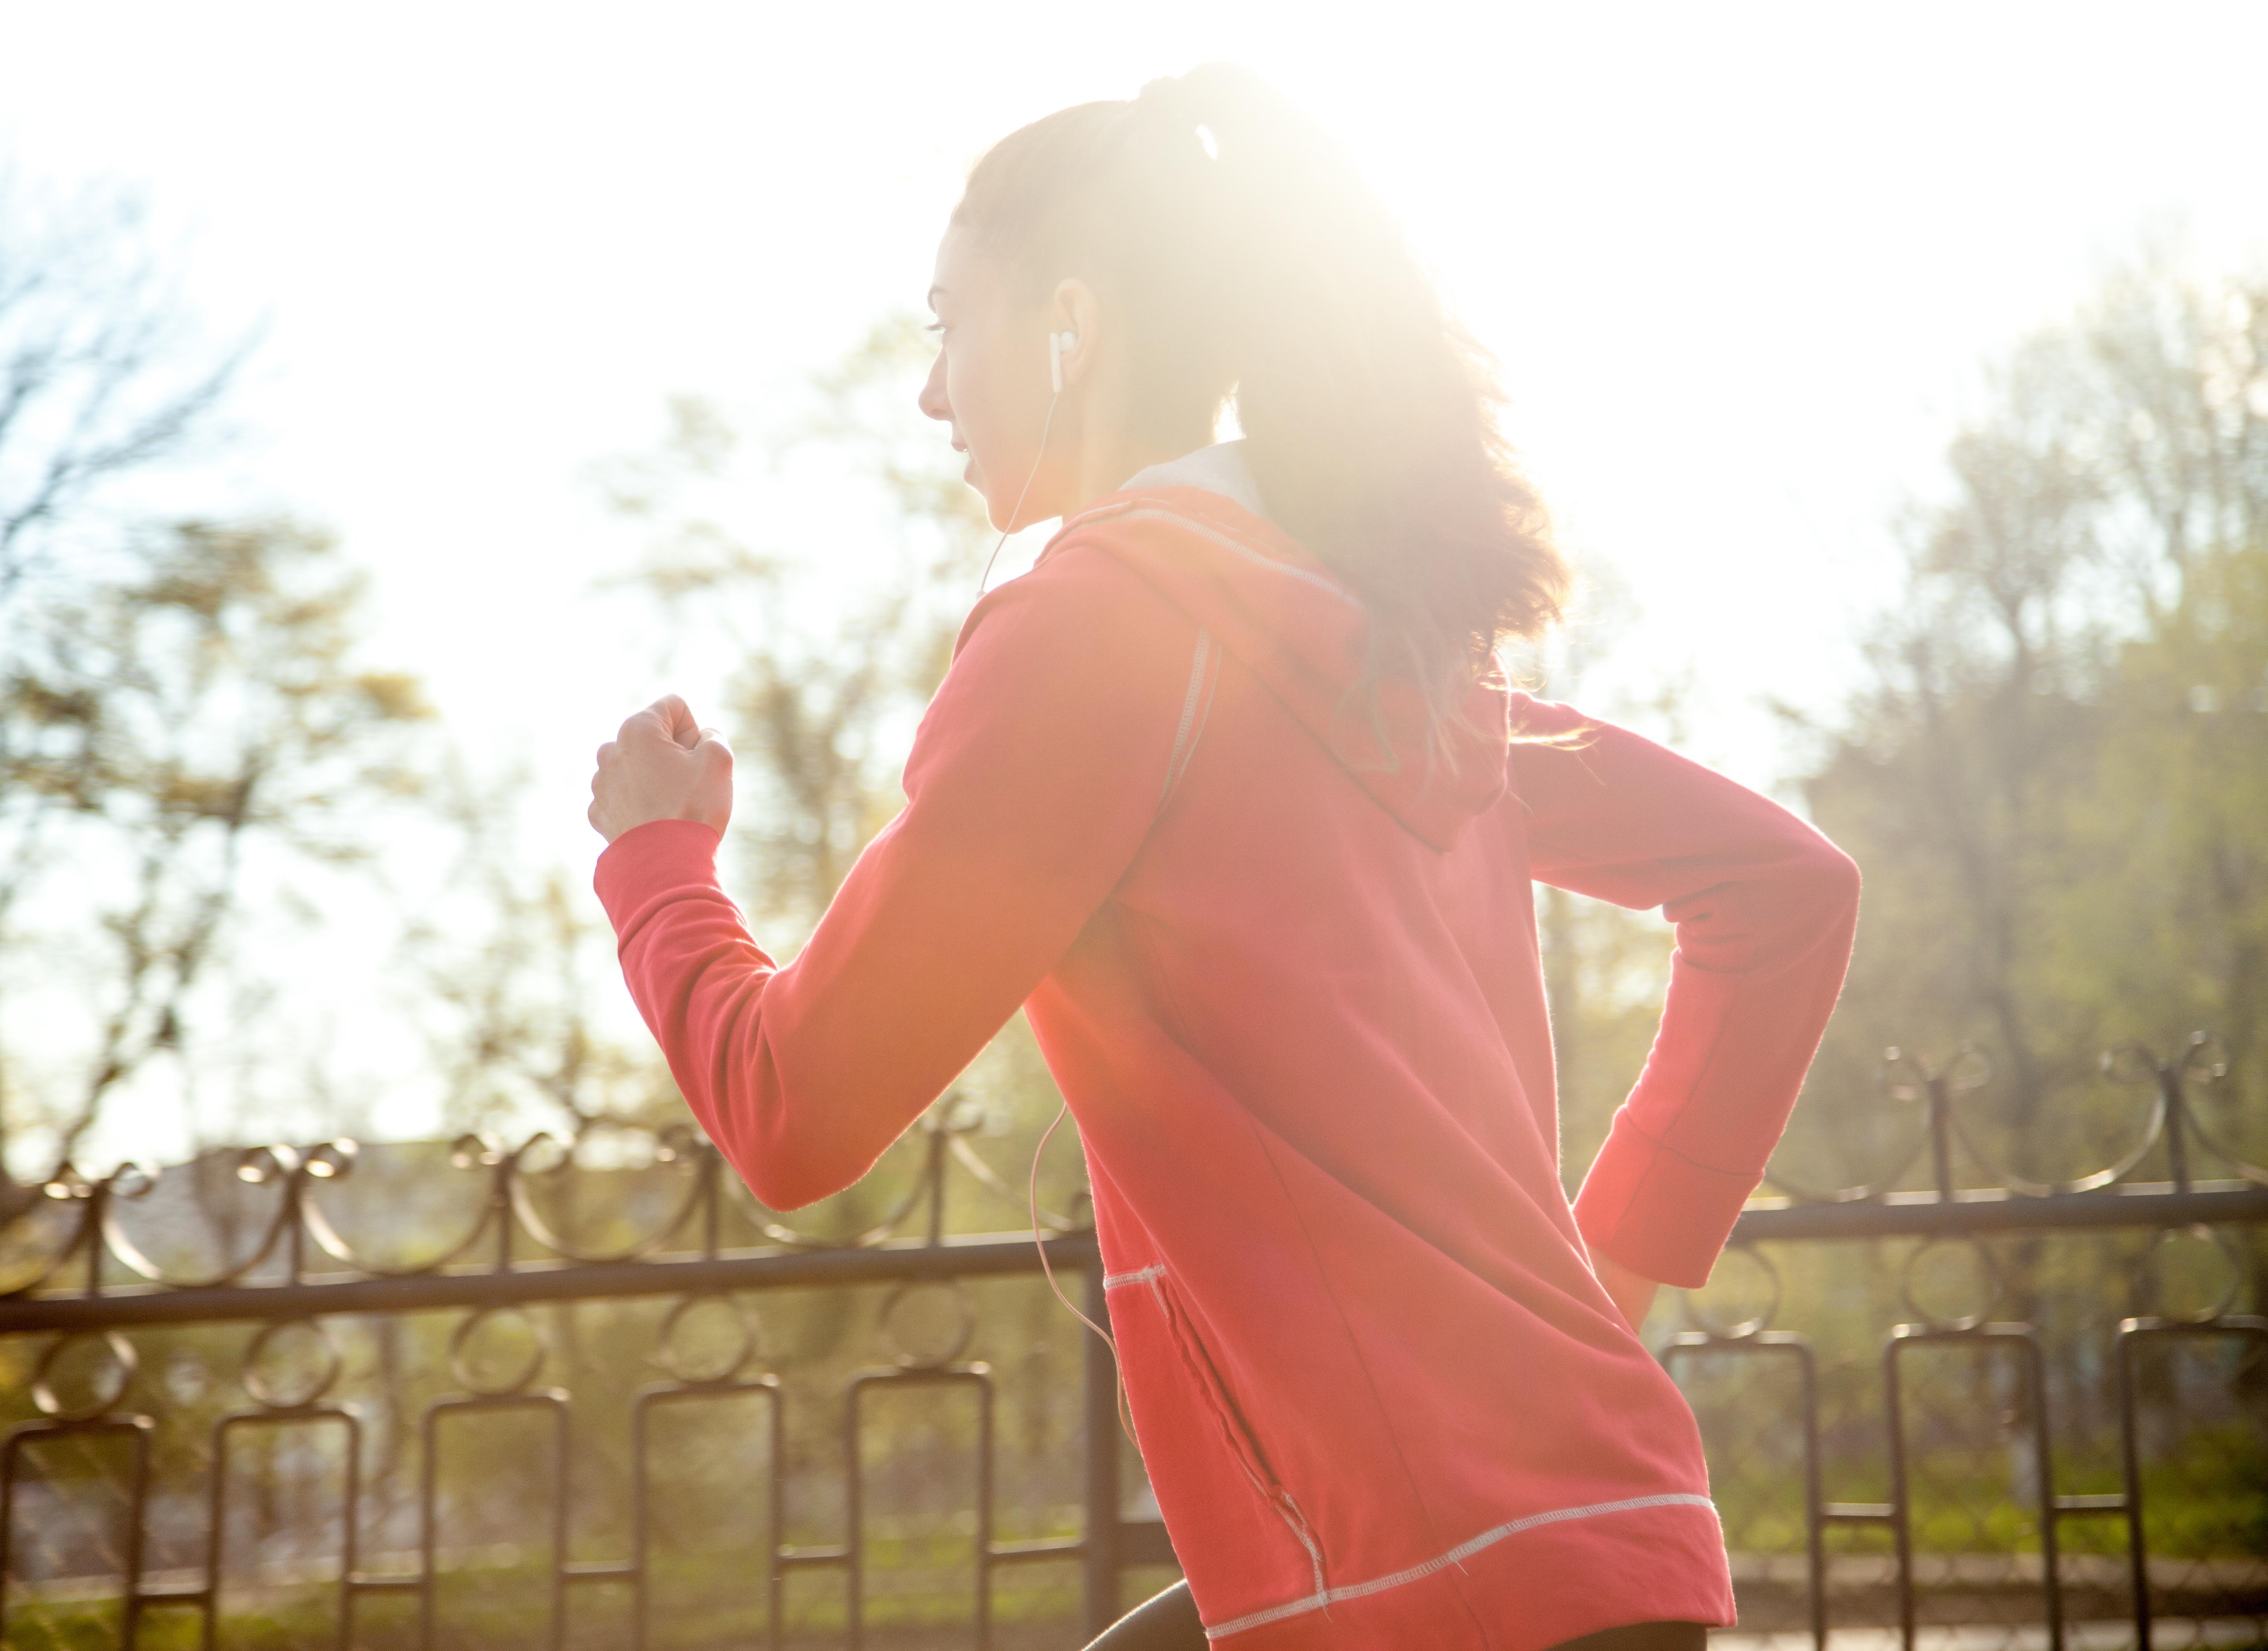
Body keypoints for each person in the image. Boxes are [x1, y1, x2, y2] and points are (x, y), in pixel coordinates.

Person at [587, 64, 1860, 1651]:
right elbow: (1786, 890)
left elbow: (792, 1110)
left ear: (1073, 322)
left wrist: (658, 865)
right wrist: (1607, 1284)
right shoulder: (1392, 650)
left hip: (1441, 1584)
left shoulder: (1100, 628)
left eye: (944, 327)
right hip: (1583, 1533)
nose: (929, 393)